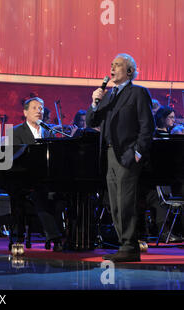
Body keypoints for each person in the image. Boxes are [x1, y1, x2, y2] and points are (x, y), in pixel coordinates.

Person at [86, 53, 155, 262]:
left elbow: (147, 127)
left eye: (117, 65)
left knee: (125, 202)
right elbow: (92, 121)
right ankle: (123, 245)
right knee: (114, 203)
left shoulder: (138, 93)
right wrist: (94, 103)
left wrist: (136, 153)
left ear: (129, 71)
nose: (112, 68)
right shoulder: (108, 95)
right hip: (108, 154)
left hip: (126, 155)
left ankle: (129, 247)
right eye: (111, 64)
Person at [11, 97, 63, 251]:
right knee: (39, 196)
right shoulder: (16, 131)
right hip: (25, 180)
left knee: (62, 197)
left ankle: (66, 236)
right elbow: (13, 158)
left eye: (41, 108)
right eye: (34, 108)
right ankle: (55, 237)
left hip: (47, 179)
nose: (38, 111)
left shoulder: (49, 132)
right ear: (25, 112)